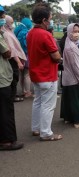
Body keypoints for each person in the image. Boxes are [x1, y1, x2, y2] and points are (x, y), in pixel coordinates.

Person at [26, 2, 63, 141]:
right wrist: (60, 58)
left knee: (38, 102)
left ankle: (36, 128)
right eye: (50, 18)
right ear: (44, 20)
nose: (50, 21)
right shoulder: (45, 35)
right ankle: (46, 133)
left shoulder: (31, 33)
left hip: (36, 74)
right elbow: (56, 56)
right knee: (48, 105)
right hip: (47, 75)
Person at [0, 5, 24, 151]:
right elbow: (7, 52)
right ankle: (7, 140)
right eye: (1, 17)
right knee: (5, 111)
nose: (2, 19)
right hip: (2, 79)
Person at [60, 23, 79, 128]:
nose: (76, 34)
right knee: (77, 100)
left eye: (78, 31)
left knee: (69, 99)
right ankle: (78, 121)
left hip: (68, 78)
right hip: (75, 78)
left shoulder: (69, 43)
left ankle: (68, 118)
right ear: (69, 32)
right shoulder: (71, 47)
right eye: (74, 31)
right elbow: (75, 66)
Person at [2, 15, 26, 102]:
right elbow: (12, 49)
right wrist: (18, 61)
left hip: (13, 59)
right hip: (12, 59)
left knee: (14, 78)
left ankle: (13, 94)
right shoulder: (6, 34)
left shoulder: (9, 32)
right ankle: (12, 97)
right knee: (13, 78)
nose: (12, 25)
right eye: (11, 23)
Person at [14, 17, 33, 98]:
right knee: (27, 74)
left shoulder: (16, 31)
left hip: (17, 56)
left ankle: (23, 91)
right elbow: (27, 45)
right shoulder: (25, 33)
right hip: (25, 55)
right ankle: (28, 92)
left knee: (21, 74)